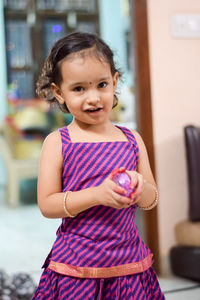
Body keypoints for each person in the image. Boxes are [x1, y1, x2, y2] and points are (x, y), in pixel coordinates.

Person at [32, 32, 165, 299]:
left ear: (114, 82)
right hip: (76, 266)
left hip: (129, 263)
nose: (93, 98)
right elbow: (47, 204)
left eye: (102, 85)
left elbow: (152, 198)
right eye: (79, 88)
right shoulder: (58, 142)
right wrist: (96, 195)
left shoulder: (131, 139)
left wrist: (140, 189)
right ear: (59, 93)